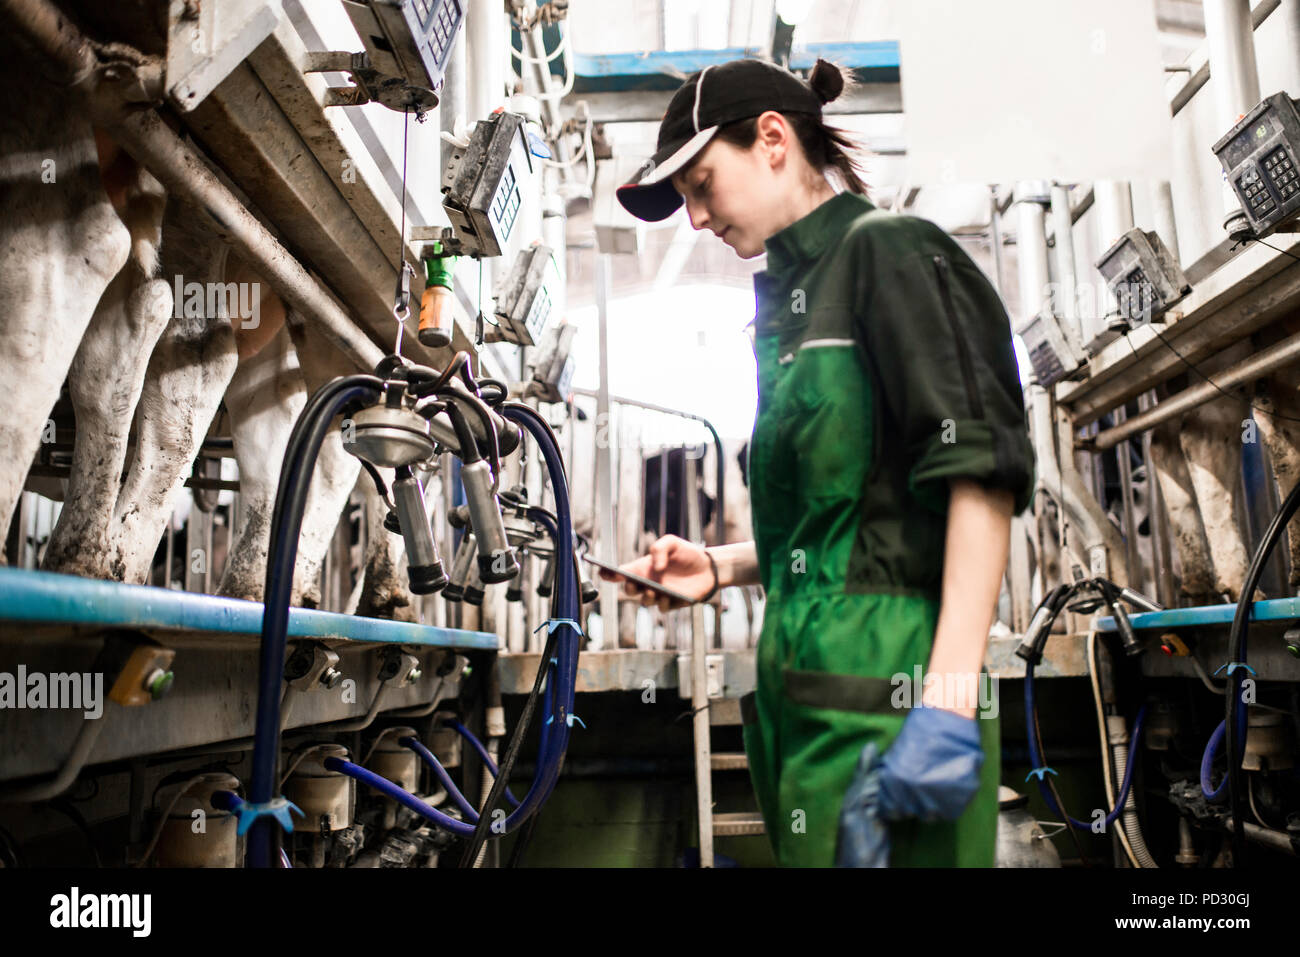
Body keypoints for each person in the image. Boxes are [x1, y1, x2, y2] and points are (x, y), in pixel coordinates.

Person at [605, 56, 1036, 867]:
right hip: (803, 716)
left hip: (895, 707)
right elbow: (846, 523)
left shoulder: (892, 253)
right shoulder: (796, 308)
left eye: (701, 184)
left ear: (772, 140)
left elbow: (980, 478)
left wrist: (944, 700)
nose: (694, 218)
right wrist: (720, 565)